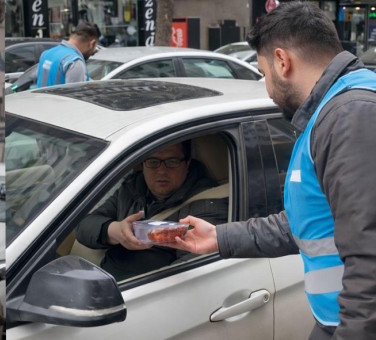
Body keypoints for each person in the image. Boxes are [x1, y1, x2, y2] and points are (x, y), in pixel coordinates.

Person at [170, 3, 376, 339]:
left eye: (264, 72)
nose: (267, 87)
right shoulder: (334, 113)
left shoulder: (350, 117)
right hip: (334, 319)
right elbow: (309, 221)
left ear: (283, 61)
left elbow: (370, 261)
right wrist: (219, 237)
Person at [76, 141, 228, 281]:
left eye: (172, 162)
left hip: (141, 293)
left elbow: (188, 272)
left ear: (187, 163)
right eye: (153, 162)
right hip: (103, 280)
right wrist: (114, 231)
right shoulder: (132, 188)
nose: (161, 171)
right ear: (143, 164)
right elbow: (84, 227)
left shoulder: (207, 205)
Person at [35, 22, 100, 88]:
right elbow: (74, 95)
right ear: (92, 43)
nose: (93, 52)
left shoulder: (46, 54)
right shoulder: (75, 62)